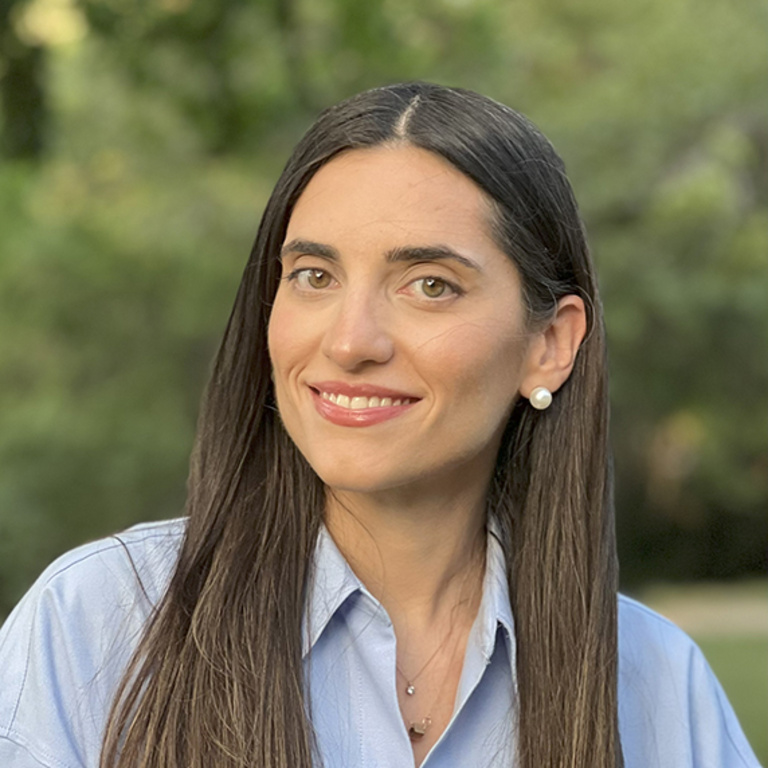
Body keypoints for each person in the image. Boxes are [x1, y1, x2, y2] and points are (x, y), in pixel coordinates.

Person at [0, 82, 760, 768]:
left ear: (550, 344)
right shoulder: (96, 627)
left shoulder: (659, 686)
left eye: (429, 285)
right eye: (314, 277)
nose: (350, 340)